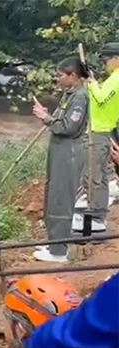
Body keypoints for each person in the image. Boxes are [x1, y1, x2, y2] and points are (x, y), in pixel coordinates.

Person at [31, 58, 88, 263]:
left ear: (73, 75)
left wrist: (45, 118)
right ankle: (54, 242)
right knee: (53, 194)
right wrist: (47, 115)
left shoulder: (80, 98)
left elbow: (67, 127)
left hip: (68, 152)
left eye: (60, 75)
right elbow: (59, 120)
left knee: (61, 198)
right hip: (59, 150)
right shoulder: (69, 94)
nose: (58, 79)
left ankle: (59, 252)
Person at [73, 43, 119, 235]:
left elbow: (100, 98)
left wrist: (91, 84)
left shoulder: (117, 79)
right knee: (92, 176)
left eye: (107, 59)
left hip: (102, 130)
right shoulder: (112, 79)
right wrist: (92, 80)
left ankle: (97, 219)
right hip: (97, 129)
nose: (105, 63)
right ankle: (92, 220)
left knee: (95, 177)